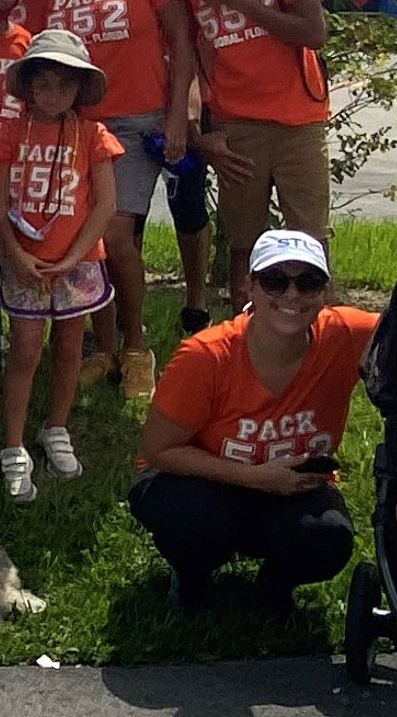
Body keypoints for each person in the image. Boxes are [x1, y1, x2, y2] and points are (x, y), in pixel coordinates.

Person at [128, 229, 371, 613]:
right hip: (198, 480)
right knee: (188, 516)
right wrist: (259, 478)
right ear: (250, 287)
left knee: (329, 536)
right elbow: (158, 451)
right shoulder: (205, 355)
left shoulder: (348, 335)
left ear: (324, 291)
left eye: (308, 282)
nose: (292, 295)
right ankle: (193, 575)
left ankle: (275, 585)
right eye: (275, 281)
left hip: (291, 487)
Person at [23, 0, 197, 395]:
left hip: (137, 120)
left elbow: (182, 37)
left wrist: (177, 112)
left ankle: (137, 345)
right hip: (73, 123)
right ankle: (104, 347)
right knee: (84, 236)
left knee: (115, 232)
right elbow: (35, 56)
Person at [163, 0, 334, 309]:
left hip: (298, 120)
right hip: (238, 127)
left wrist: (236, 0)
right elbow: (200, 56)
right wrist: (202, 132)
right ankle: (245, 332)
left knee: (308, 239)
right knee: (245, 242)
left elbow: (313, 33)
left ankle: (313, 332)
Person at [0, 30, 124, 502]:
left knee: (70, 348)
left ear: (79, 90)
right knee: (24, 351)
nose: (53, 95)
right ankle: (13, 444)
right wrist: (15, 253)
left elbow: (105, 204)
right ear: (27, 87)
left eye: (64, 86)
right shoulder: (9, 131)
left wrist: (72, 257)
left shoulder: (94, 136)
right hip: (24, 260)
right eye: (43, 84)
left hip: (78, 262)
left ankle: (57, 427)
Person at [120, 0, 220, 331]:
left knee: (189, 203)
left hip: (182, 94)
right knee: (128, 215)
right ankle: (126, 311)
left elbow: (195, 33)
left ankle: (196, 300)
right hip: (131, 100)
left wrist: (191, 103)